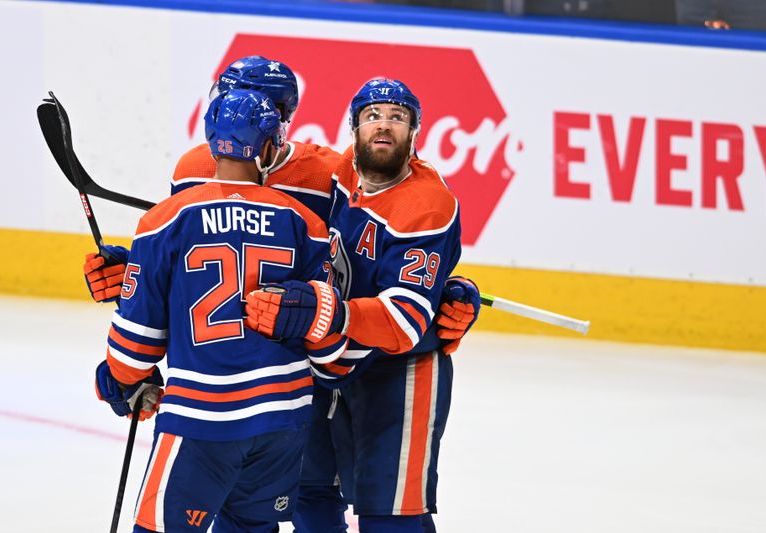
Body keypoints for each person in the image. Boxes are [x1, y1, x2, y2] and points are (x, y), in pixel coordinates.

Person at [82, 57, 480, 532]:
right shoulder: (196, 171)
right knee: (308, 494)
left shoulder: (326, 173)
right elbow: (190, 267)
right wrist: (133, 271)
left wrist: (449, 290)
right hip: (297, 376)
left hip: (319, 365)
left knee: (368, 505)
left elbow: (386, 246)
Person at [93, 89, 354, 532]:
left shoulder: (165, 219)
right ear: (270, 149)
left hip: (200, 420)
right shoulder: (304, 224)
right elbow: (332, 349)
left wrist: (117, 381)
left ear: (212, 143)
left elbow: (134, 349)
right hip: (283, 420)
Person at [246, 78, 472, 533]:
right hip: (331, 358)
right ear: (353, 127)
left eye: (397, 117)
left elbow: (405, 321)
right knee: (309, 491)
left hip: (398, 371)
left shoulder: (426, 204)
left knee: (388, 515)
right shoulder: (337, 172)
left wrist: (324, 311)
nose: (383, 125)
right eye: (372, 115)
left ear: (414, 131)